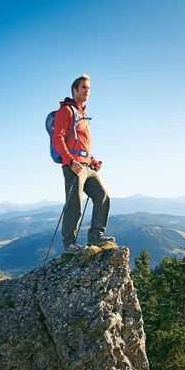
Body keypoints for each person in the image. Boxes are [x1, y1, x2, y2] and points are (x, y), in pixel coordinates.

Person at [51, 74, 113, 254]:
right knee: (74, 203)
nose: (87, 91)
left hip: (87, 166)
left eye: (89, 88)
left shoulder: (83, 115)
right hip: (73, 165)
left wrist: (92, 160)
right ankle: (70, 244)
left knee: (102, 196)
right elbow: (58, 138)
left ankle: (96, 236)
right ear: (74, 90)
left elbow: (81, 143)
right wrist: (70, 160)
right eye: (84, 87)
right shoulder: (66, 111)